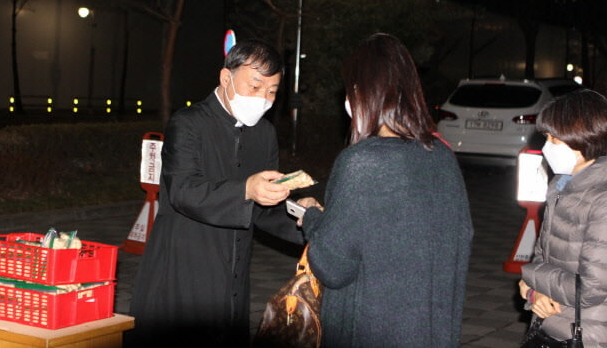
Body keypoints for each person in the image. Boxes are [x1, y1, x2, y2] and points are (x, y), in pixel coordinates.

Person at [296, 33, 473, 347]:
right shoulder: (443, 158)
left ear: (363, 92)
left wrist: (312, 218)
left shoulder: (362, 163)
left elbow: (333, 267)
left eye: (351, 90)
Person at [129, 39, 304, 347]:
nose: (263, 98)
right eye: (255, 86)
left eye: (272, 91)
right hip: (181, 267)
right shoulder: (188, 123)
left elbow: (262, 207)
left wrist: (305, 218)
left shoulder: (264, 134)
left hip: (233, 273)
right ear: (226, 78)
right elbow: (183, 190)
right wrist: (246, 189)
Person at [518, 89, 607, 347]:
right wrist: (534, 292)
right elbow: (543, 256)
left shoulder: (601, 198)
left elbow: (591, 288)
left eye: (554, 140)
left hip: (589, 334)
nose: (547, 147)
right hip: (552, 324)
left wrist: (531, 279)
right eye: (546, 137)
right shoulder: (561, 187)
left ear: (582, 138)